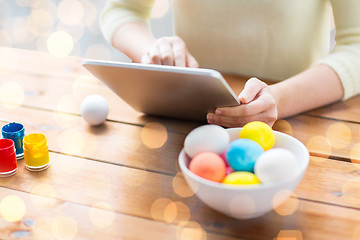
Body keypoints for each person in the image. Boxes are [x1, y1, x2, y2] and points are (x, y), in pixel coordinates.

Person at [100, 0, 360, 127]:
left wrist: (280, 100)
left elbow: (356, 46)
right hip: (187, 121)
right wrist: (153, 51)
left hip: (298, 125)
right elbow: (122, 9)